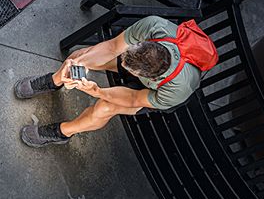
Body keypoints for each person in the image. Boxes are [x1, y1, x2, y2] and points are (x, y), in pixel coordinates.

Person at [15, 15, 204, 147]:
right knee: (79, 55)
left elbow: (132, 99)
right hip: (148, 65)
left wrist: (96, 91)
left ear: (148, 77)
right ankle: (54, 81)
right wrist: (76, 63)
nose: (122, 61)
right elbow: (113, 47)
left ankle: (62, 133)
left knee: (105, 108)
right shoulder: (153, 26)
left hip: (156, 94)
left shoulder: (177, 89)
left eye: (127, 65)